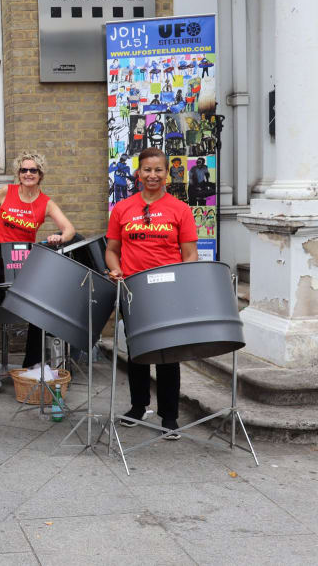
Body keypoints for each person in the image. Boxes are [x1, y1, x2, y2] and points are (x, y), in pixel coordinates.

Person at [106, 147, 198, 440]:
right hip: (134, 291)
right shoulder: (122, 209)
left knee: (168, 355)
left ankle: (169, 417)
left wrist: (183, 285)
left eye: (158, 170)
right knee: (137, 353)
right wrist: (115, 270)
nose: (153, 175)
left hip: (168, 291)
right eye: (147, 170)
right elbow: (111, 251)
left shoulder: (180, 209)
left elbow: (190, 254)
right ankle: (138, 407)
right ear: (138, 173)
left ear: (167, 174)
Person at [0, 152, 75, 391]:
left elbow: (69, 228)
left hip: (26, 262)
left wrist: (59, 237)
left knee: (38, 309)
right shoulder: (6, 192)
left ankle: (32, 363)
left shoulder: (46, 202)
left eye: (33, 170)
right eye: (24, 170)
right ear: (18, 174)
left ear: (40, 175)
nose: (28, 174)